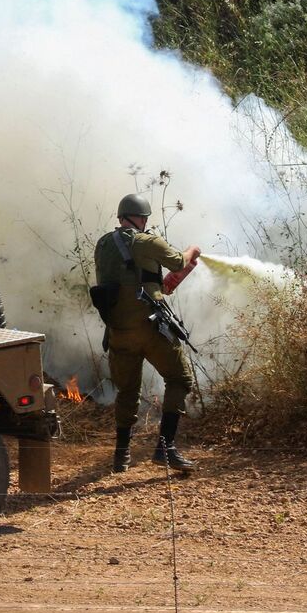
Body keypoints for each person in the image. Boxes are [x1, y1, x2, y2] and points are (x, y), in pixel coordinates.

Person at [92, 194, 201, 473]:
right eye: (145, 218)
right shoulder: (147, 241)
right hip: (150, 328)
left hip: (118, 331)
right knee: (179, 378)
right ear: (140, 218)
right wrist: (192, 250)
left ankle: (121, 457)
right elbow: (178, 262)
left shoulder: (103, 245)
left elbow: (123, 282)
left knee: (127, 391)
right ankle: (166, 449)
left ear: (121, 217)